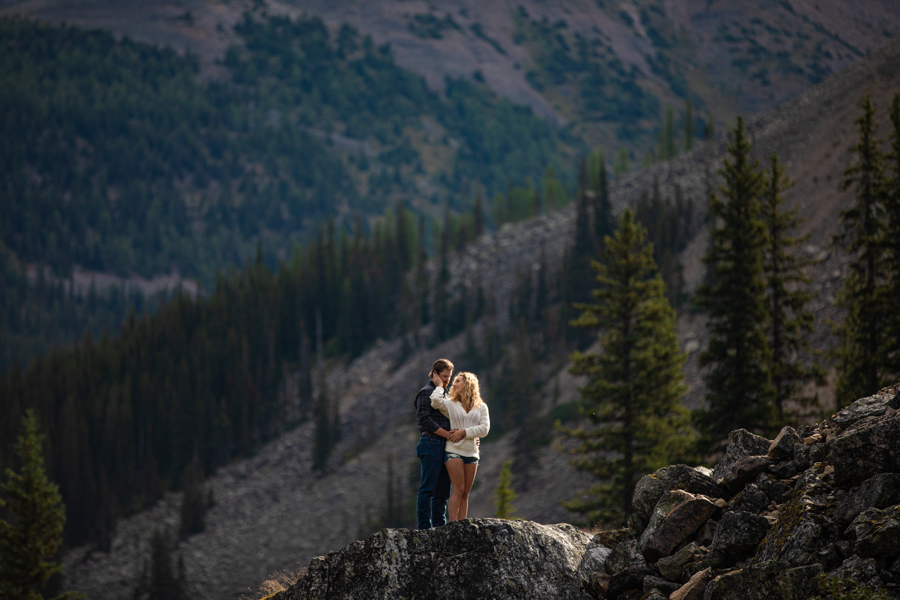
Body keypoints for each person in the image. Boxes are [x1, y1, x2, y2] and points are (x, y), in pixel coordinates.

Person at [430, 371, 490, 522]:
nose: (454, 384)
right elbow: (435, 401)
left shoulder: (481, 407)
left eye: (458, 381)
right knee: (458, 489)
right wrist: (439, 386)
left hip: (472, 453)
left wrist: (464, 432)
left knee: (466, 493)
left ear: (468, 384)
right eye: (454, 381)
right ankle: (453, 525)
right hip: (453, 450)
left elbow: (484, 429)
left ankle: (463, 525)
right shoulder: (450, 404)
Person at [415, 358, 456, 529]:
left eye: (449, 377)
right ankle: (424, 528)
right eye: (444, 376)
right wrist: (446, 434)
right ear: (435, 374)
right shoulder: (426, 392)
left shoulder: (445, 395)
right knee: (428, 488)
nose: (447, 380)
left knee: (443, 491)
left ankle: (440, 527)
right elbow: (424, 420)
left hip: (445, 446)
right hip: (431, 442)